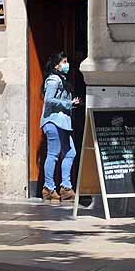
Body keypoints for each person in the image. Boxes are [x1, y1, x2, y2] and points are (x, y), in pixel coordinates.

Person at [40, 51, 80, 202]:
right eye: (64, 62)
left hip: (63, 122)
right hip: (53, 121)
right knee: (53, 154)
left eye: (66, 62)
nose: (66, 65)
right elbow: (49, 100)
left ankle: (65, 187)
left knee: (70, 153)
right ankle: (49, 188)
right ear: (56, 65)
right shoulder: (53, 79)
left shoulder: (61, 79)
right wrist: (68, 103)